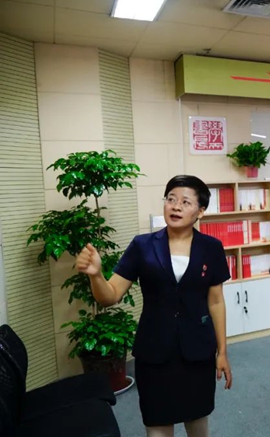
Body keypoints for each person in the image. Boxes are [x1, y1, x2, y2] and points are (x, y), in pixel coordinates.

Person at [76, 175, 232, 437]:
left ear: (200, 211)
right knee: (157, 422)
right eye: (171, 199)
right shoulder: (142, 245)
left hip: (197, 349)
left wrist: (222, 351)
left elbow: (216, 301)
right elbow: (110, 296)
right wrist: (96, 275)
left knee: (197, 418)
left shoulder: (211, 248)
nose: (176, 206)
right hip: (154, 350)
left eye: (185, 202)